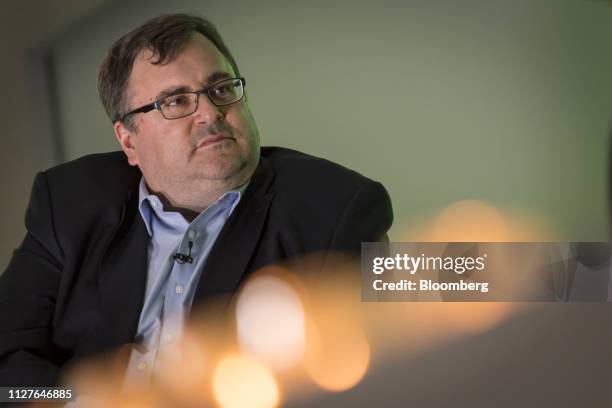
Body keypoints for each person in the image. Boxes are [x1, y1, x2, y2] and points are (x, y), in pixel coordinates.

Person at [0, 13, 393, 386]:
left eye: (221, 89)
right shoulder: (69, 202)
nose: (209, 112)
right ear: (128, 140)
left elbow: (401, 333)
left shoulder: (335, 207)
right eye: (175, 101)